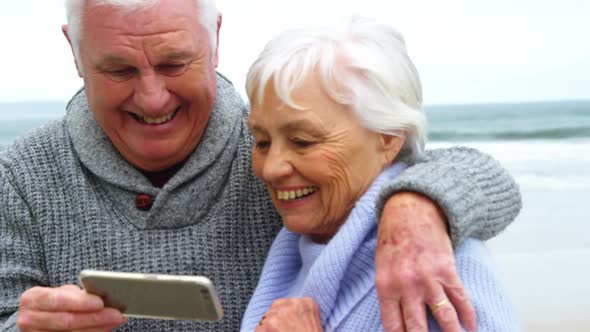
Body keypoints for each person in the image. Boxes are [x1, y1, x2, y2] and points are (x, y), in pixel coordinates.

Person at [0, 0, 521, 331]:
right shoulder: (19, 176)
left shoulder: (286, 149)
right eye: (117, 69)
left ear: (216, 40)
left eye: (174, 63)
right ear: (74, 51)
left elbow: (460, 168)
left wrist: (417, 202)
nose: (153, 97)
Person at [239, 17, 520, 332]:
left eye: (303, 142)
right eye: (261, 142)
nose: (271, 167)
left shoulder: (431, 265)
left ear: (388, 137)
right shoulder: (299, 250)